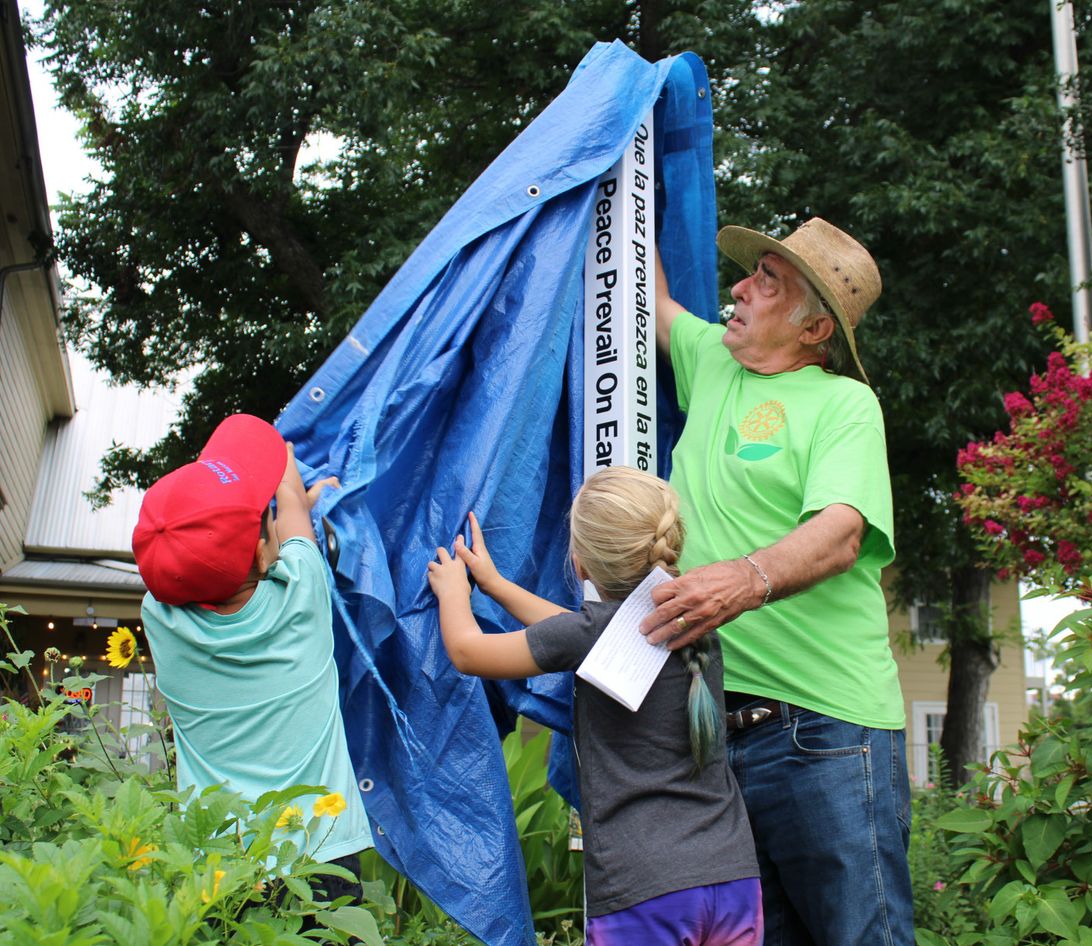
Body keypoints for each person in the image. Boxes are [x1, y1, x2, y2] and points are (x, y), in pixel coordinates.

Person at [642, 218, 914, 945]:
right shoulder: (711, 361)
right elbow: (650, 295)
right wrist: (619, 164)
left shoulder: (843, 406)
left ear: (815, 326)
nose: (739, 287)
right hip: (713, 733)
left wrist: (747, 578)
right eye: (750, 272)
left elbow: (842, 532)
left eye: (769, 280)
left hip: (824, 729)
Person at [428, 467, 762, 946]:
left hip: (644, 888)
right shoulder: (695, 628)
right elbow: (577, 633)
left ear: (580, 564)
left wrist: (454, 592)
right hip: (732, 878)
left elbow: (467, 651)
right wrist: (497, 586)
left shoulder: (592, 634)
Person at [132, 413, 372, 905]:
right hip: (321, 857)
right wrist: (287, 475)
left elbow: (194, 564)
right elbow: (291, 500)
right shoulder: (304, 590)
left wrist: (272, 525)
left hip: (221, 864)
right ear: (266, 554)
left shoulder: (160, 621)